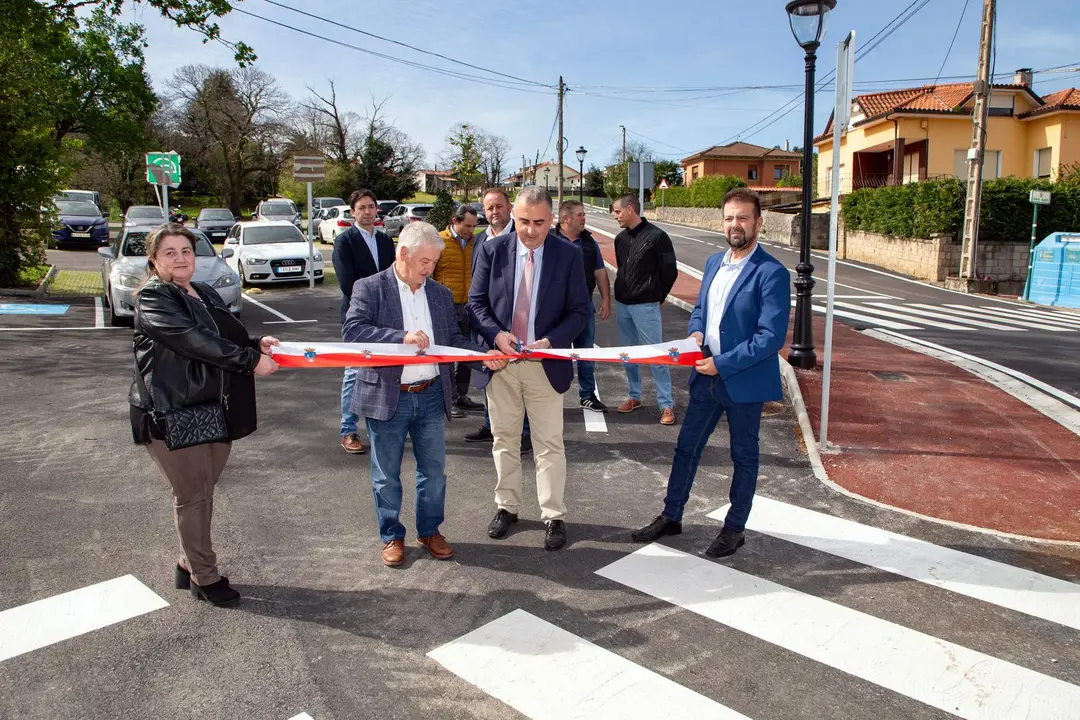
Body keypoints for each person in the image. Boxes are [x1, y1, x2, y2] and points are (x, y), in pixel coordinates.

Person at [631, 188, 791, 558]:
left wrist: (723, 362)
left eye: (743, 218)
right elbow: (702, 309)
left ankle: (734, 529)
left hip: (742, 379)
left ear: (759, 223)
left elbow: (770, 338)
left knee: (744, 456)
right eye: (730, 218)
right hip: (705, 374)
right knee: (686, 448)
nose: (735, 225)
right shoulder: (714, 262)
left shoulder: (772, 273)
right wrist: (696, 333)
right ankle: (672, 516)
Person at [129, 223, 280, 607]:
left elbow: (221, 337)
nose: (181, 259)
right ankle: (204, 577)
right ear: (154, 260)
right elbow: (193, 342)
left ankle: (187, 563)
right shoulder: (153, 298)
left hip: (213, 410)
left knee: (201, 492)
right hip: (172, 412)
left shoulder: (204, 291)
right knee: (193, 496)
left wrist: (253, 342)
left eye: (187, 251)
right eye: (170, 252)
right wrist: (250, 361)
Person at [343, 222, 506, 567]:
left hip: (431, 394)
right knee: (386, 473)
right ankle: (391, 536)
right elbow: (353, 332)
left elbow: (452, 341)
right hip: (388, 396)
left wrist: (482, 357)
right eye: (425, 261)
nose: (430, 269)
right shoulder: (369, 288)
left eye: (434, 262)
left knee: (433, 472)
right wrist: (399, 337)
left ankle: (430, 531)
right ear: (402, 254)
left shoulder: (439, 294)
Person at [468, 187, 591, 551]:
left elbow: (580, 311)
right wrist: (496, 334)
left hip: (545, 364)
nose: (531, 230)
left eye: (539, 222)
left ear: (552, 220)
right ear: (513, 216)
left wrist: (551, 341)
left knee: (548, 443)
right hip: (501, 363)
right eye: (523, 221)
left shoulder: (567, 255)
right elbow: (475, 304)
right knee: (504, 439)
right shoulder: (491, 250)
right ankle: (507, 507)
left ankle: (553, 514)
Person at [463, 188, 531, 455]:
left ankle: (523, 432)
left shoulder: (522, 237)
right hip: (483, 321)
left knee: (520, 382)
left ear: (509, 207)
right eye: (489, 208)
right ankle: (489, 425)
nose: (494, 212)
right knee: (487, 374)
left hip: (515, 322)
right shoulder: (480, 240)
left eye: (499, 207)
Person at [333, 189, 395, 455]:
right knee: (354, 373)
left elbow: (394, 275)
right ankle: (348, 430)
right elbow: (347, 282)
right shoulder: (344, 242)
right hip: (357, 315)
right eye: (362, 207)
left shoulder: (385, 240)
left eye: (372, 207)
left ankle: (382, 426)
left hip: (387, 315)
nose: (368, 212)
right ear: (353, 212)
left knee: (384, 372)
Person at [611, 193, 679, 425]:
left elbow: (670, 271)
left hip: (646, 307)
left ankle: (666, 403)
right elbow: (622, 269)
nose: (615, 216)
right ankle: (634, 396)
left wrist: (657, 297)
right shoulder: (619, 239)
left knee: (657, 355)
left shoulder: (658, 237)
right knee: (628, 356)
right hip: (623, 306)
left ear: (630, 209)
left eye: (618, 211)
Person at [555, 200, 612, 412]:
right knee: (555, 354)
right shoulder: (549, 240)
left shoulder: (589, 242)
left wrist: (605, 299)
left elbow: (600, 272)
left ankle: (587, 395)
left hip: (583, 307)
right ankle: (551, 395)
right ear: (566, 218)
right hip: (555, 310)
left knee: (586, 352)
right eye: (580, 215)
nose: (584, 218)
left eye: (584, 214)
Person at [433, 204, 484, 418]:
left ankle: (462, 395)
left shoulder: (477, 243)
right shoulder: (439, 241)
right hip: (446, 307)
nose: (471, 231)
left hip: (470, 306)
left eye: (474, 226)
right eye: (467, 226)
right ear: (455, 221)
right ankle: (449, 399)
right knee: (447, 355)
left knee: (466, 353)